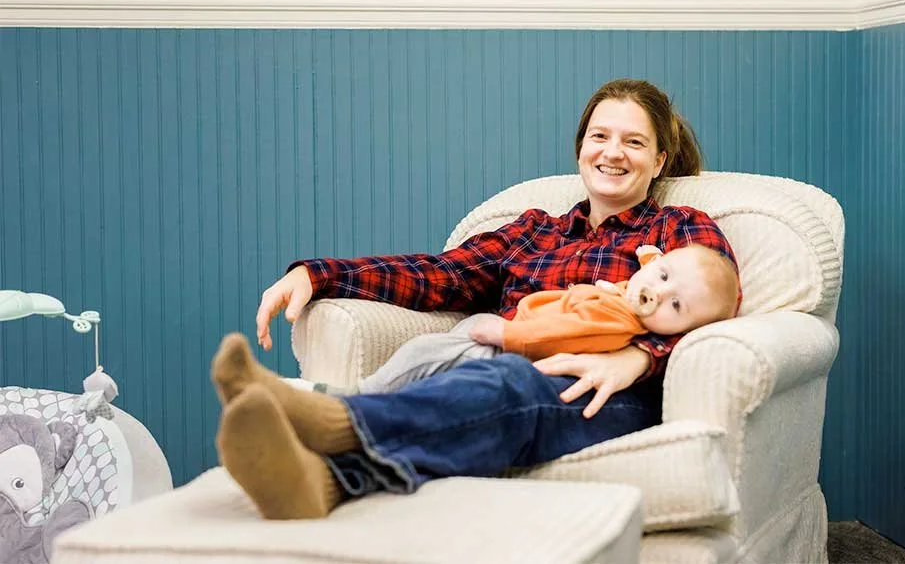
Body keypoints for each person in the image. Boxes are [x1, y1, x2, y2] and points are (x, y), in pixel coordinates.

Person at [211, 78, 739, 520]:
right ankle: (325, 483)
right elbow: (437, 275)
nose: (613, 152)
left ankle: (325, 413)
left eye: (634, 142)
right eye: (600, 136)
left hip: (604, 388)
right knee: (471, 370)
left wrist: (639, 357)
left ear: (659, 160)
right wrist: (318, 274)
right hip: (502, 367)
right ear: (581, 146)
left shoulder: (679, 228)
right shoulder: (534, 231)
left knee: (507, 381)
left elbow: (717, 305)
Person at [335, 243, 739, 395]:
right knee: (440, 349)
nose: (659, 294)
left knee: (428, 356)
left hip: (517, 350)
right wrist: (326, 277)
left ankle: (361, 397)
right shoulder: (636, 287)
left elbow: (564, 331)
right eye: (600, 136)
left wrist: (509, 335)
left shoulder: (618, 320)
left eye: (675, 307)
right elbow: (445, 272)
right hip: (504, 329)